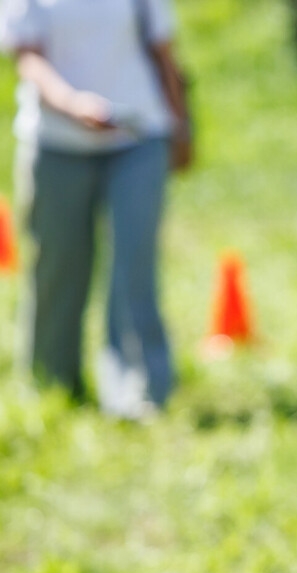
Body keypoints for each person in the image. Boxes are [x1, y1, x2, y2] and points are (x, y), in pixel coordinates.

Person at [1, 0, 191, 418]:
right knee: (58, 266)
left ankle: (140, 393)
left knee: (134, 265)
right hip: (56, 143)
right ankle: (52, 382)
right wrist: (73, 103)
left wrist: (180, 127)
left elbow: (163, 51)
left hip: (139, 136)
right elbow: (28, 57)